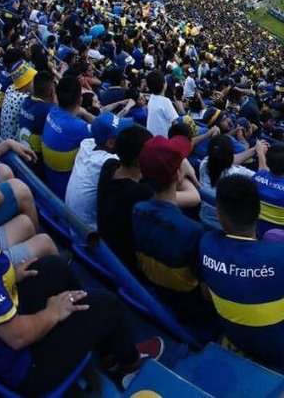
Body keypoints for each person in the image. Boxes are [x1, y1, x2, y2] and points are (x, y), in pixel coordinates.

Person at [0, 113, 163, 394]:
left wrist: (5, 274)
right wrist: (53, 313)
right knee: (109, 304)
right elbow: (16, 336)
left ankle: (105, 348)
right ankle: (129, 366)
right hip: (22, 364)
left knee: (54, 267)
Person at [200, 174, 284, 368]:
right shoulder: (283, 255)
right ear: (259, 210)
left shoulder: (206, 243)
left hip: (234, 336)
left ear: (219, 215)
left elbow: (206, 292)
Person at [132, 134, 214, 325]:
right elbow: (204, 285)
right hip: (191, 306)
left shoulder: (137, 209)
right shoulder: (192, 231)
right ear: (178, 174)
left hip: (157, 290)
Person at [96, 125, 154, 272]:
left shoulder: (109, 166)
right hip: (125, 262)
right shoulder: (140, 192)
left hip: (106, 247)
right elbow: (191, 197)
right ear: (138, 160)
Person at [66, 111, 134, 226]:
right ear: (111, 143)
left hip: (74, 222)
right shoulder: (107, 162)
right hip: (89, 235)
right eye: (122, 134)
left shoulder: (86, 144)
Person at [40, 75, 92, 199]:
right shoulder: (80, 127)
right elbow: (103, 129)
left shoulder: (52, 111)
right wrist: (86, 113)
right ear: (80, 101)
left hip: (49, 180)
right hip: (66, 192)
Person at [198, 135, 259, 229]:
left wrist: (254, 150)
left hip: (204, 218)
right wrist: (262, 155)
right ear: (231, 154)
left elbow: (227, 158)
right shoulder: (237, 173)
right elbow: (262, 180)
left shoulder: (204, 163)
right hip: (226, 227)